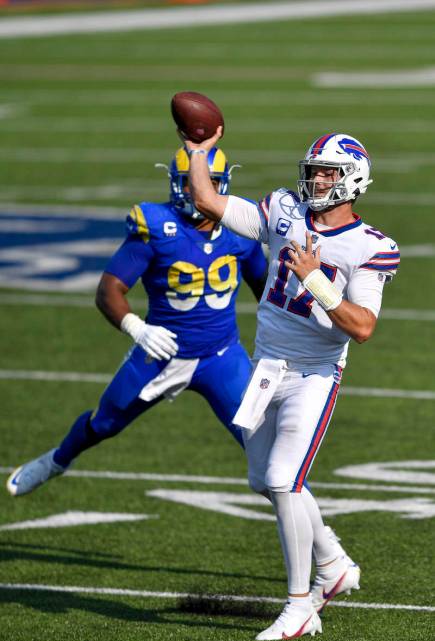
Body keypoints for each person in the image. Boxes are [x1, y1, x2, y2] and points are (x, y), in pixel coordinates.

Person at [6, 143, 359, 616]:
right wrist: (136, 326)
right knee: (106, 421)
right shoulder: (157, 228)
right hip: (162, 353)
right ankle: (56, 460)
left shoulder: (240, 235)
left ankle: (330, 553)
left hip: (222, 358)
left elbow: (270, 289)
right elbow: (109, 288)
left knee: (276, 465)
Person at [180, 129, 399, 640]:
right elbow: (208, 199)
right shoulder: (282, 208)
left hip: (314, 375)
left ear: (353, 181)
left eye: (329, 171)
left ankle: (301, 603)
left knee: (283, 479)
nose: (317, 178)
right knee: (264, 480)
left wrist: (315, 280)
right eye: (315, 168)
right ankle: (335, 564)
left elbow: (362, 326)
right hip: (265, 369)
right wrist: (196, 152)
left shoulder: (371, 246)